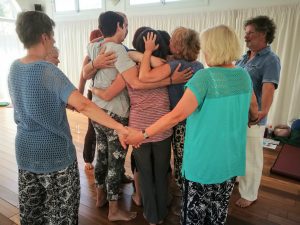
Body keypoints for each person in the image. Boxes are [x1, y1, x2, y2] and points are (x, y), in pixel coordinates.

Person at [125, 25, 258, 225]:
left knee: (194, 217)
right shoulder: (243, 75)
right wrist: (249, 118)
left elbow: (175, 115)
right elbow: (253, 110)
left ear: (213, 47)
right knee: (217, 214)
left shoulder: (204, 77)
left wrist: (142, 134)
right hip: (229, 160)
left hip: (204, 162)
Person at [8, 11, 129, 225]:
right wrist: (119, 127)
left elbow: (34, 101)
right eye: (52, 36)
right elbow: (83, 104)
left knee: (33, 213)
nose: (53, 40)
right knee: (62, 215)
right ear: (44, 37)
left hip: (25, 152)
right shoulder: (48, 71)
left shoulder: (14, 67)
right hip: (54, 155)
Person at [139, 27, 203, 194]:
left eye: (172, 41)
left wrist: (146, 52)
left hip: (180, 123)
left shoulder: (175, 65)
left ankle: (186, 199)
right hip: (197, 121)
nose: (169, 43)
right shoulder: (199, 66)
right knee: (192, 158)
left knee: (182, 161)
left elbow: (144, 76)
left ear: (178, 45)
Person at [235, 15, 281, 208]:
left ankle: (249, 193)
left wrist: (262, 111)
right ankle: (238, 180)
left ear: (263, 34)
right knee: (238, 152)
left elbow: (268, 87)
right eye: (246, 33)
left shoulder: (270, 59)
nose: (246, 37)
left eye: (250, 33)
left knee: (252, 157)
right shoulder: (244, 57)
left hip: (253, 118)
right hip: (236, 116)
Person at [77, 29, 116, 170]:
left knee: (105, 128)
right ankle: (88, 159)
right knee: (92, 128)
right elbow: (83, 77)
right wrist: (79, 95)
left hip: (108, 94)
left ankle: (110, 162)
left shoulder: (112, 52)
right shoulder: (89, 57)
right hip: (93, 93)